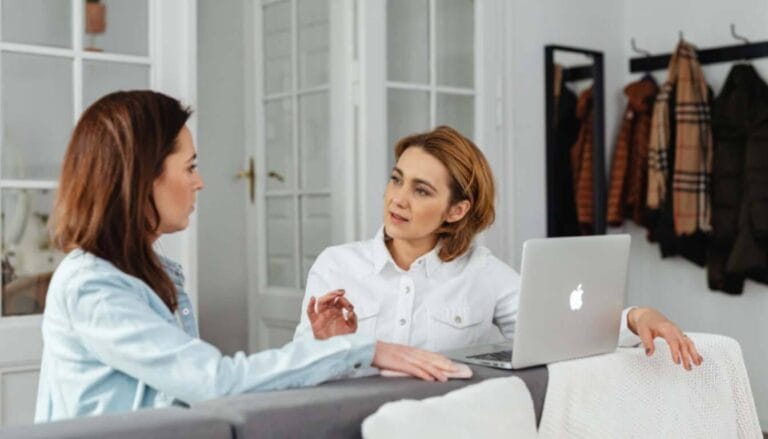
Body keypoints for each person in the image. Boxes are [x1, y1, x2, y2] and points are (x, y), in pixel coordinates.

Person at [35, 91, 456, 423]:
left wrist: (335, 349)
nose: (199, 182)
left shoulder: (153, 274)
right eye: (190, 167)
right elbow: (213, 382)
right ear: (142, 174)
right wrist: (360, 349)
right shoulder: (94, 287)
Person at [294, 126, 703, 371]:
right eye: (396, 179)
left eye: (421, 190)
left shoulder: (481, 272)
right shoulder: (337, 266)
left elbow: (557, 325)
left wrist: (637, 316)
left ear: (457, 210)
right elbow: (295, 372)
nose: (397, 199)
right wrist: (326, 344)